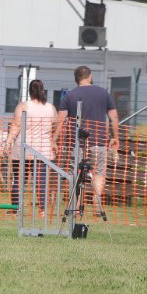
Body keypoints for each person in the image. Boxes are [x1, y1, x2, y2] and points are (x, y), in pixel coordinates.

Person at [51, 66, 119, 208]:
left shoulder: (69, 96)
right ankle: (96, 201)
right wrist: (115, 137)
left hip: (76, 143)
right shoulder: (103, 93)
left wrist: (54, 141)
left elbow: (61, 121)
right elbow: (114, 117)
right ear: (89, 76)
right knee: (99, 172)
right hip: (99, 141)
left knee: (74, 173)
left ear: (76, 79)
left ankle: (75, 205)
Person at [3, 79, 56, 216]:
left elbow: (16, 126)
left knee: (19, 180)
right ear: (43, 90)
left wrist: (8, 142)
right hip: (43, 150)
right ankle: (43, 210)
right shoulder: (51, 108)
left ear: (29, 91)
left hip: (23, 149)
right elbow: (54, 127)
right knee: (41, 181)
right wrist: (53, 142)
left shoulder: (23, 106)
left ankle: (16, 208)